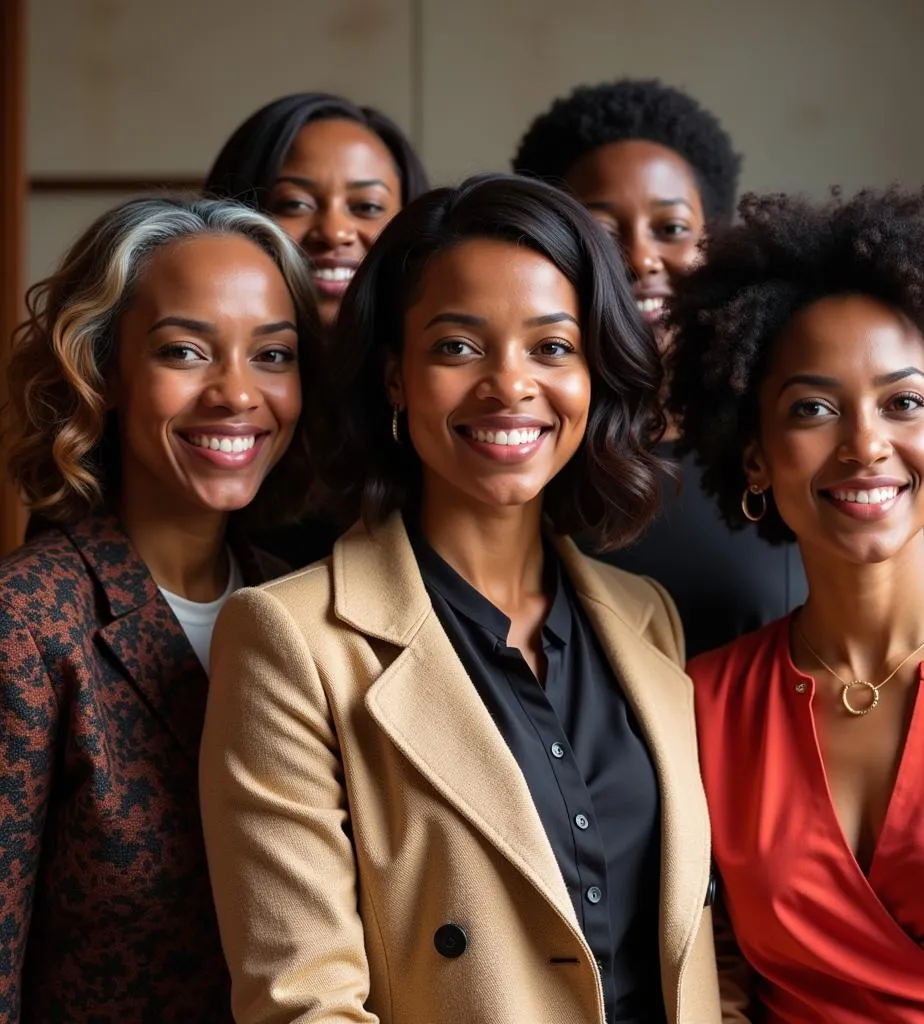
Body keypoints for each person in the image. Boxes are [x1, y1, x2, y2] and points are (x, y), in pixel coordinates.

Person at [199, 174, 720, 1023]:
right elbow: (304, 1005)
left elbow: (704, 947)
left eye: (552, 347)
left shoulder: (646, 617)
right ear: (395, 378)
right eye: (457, 347)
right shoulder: (289, 640)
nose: (509, 386)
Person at [670, 184, 924, 1021]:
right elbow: (702, 965)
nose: (866, 444)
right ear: (755, 458)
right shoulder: (697, 706)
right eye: (814, 408)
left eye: (903, 403)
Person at [513, 79, 924, 655]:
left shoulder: (815, 443)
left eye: (672, 228)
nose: (640, 256)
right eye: (604, 233)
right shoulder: (527, 452)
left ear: (715, 242)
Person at [0, 195, 321, 1022]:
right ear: (102, 368)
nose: (237, 393)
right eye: (185, 351)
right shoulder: (27, 622)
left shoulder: (309, 606)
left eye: (273, 356)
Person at [206, 92, 429, 568]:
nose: (333, 230)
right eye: (295, 202)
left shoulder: (432, 391)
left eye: (366, 206)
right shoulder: (207, 400)